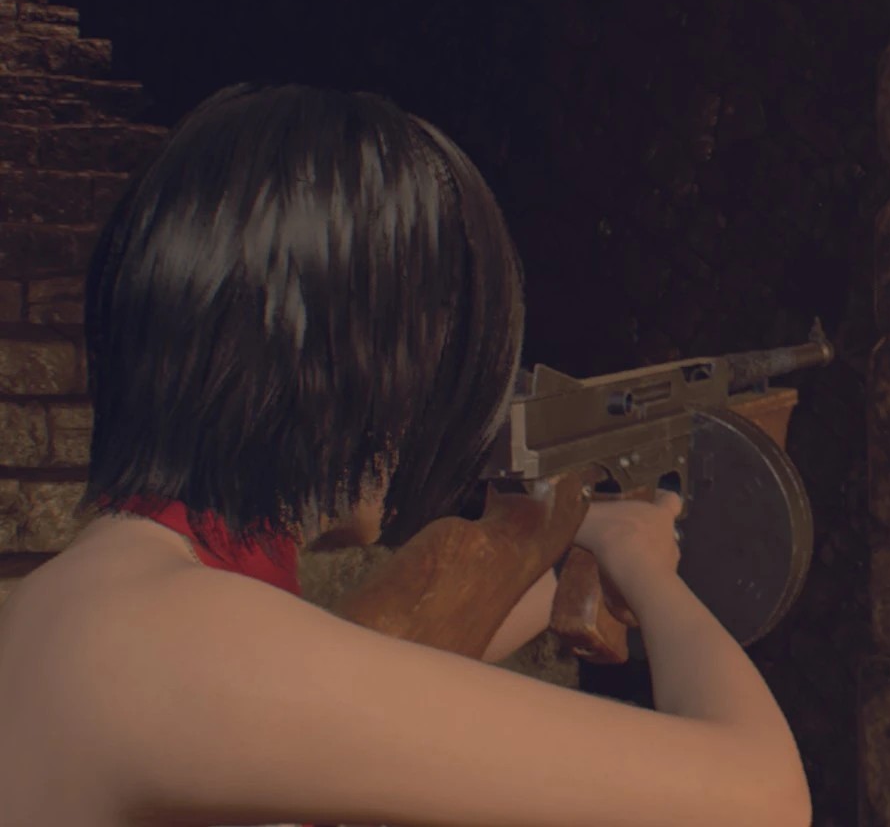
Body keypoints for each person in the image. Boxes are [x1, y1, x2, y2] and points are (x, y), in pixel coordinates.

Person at [0, 85, 811, 827]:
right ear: (335, 365)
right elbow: (762, 797)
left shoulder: (90, 608)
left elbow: (376, 674)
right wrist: (649, 570)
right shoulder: (179, 643)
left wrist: (567, 549)